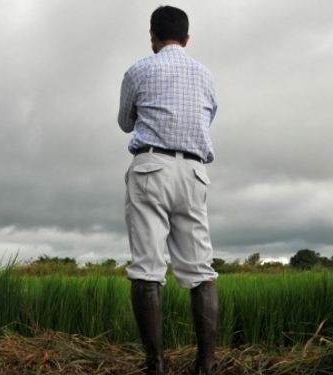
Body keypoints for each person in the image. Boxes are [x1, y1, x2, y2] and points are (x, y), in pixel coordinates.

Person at [118, 6, 219, 375]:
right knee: (200, 270)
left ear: (152, 35)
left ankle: (155, 365)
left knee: (147, 268)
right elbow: (207, 118)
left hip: (151, 166)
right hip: (194, 170)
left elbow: (124, 122)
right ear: (187, 38)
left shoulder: (139, 70)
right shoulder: (206, 75)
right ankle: (206, 365)